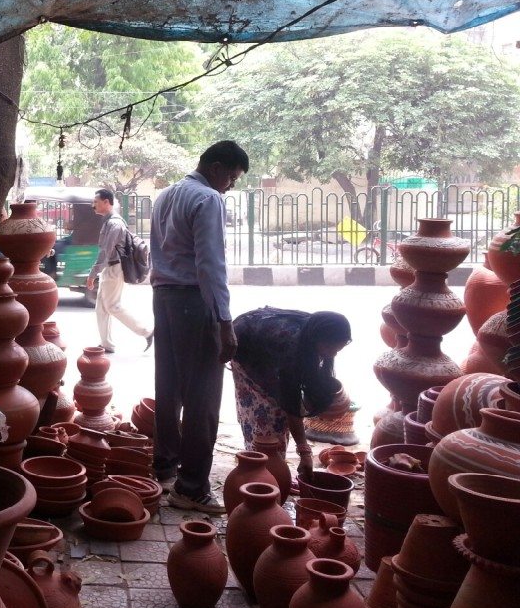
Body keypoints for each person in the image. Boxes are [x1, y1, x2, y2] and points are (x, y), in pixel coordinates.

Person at [150, 140, 249, 513]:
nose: (231, 186)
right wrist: (225, 322)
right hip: (194, 302)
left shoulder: (166, 195)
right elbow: (211, 266)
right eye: (233, 178)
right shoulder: (208, 199)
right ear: (219, 168)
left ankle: (164, 466)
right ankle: (191, 488)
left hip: (164, 298)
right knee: (203, 399)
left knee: (169, 385)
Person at [231, 308, 353, 479]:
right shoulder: (291, 345)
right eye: (330, 348)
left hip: (267, 345)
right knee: (267, 416)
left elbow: (304, 384)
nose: (333, 354)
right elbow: (291, 403)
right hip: (245, 346)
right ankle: (259, 470)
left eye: (338, 350)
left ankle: (271, 471)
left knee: (279, 416)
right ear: (319, 339)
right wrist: (304, 452)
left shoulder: (314, 334)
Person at [86, 188, 153, 353]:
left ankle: (147, 332)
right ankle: (106, 343)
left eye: (96, 202)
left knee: (112, 306)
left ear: (106, 202)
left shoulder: (115, 223)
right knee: (101, 307)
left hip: (114, 268)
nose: (93, 205)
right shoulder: (109, 221)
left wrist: (92, 274)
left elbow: (106, 251)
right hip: (110, 268)